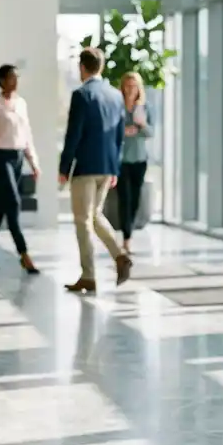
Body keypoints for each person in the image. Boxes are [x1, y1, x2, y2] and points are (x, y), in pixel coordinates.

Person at [57, 47, 133, 293]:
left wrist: (64, 167)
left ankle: (88, 276)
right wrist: (115, 168)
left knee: (83, 221)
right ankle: (120, 256)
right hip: (107, 166)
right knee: (95, 215)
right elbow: (120, 136)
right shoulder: (115, 95)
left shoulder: (82, 95)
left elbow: (74, 135)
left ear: (82, 67)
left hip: (86, 167)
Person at [0, 64, 40, 274]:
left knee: (0, 208)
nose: (16, 81)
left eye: (17, 77)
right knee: (13, 202)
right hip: (0, 158)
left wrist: (34, 163)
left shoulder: (22, 103)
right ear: (2, 81)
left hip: (18, 157)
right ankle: (24, 254)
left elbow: (26, 135)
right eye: (12, 78)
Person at [118, 72, 153, 254]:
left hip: (140, 160)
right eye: (128, 86)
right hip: (122, 160)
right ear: (123, 87)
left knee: (135, 200)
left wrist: (141, 126)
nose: (131, 89)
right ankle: (126, 238)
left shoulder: (145, 107)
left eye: (134, 86)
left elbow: (150, 133)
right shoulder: (118, 107)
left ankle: (128, 233)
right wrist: (124, 131)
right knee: (125, 199)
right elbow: (111, 131)